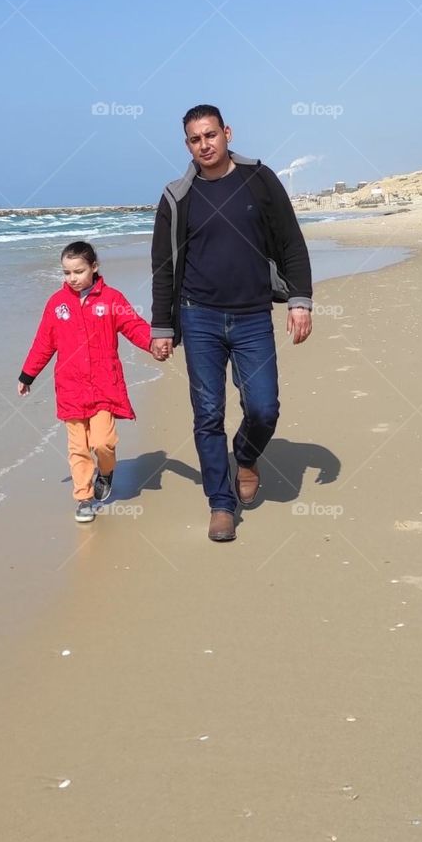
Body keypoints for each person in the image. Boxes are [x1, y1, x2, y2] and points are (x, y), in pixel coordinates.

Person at [150, 106, 313, 543]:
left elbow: (291, 240)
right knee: (207, 415)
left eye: (210, 135)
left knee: (264, 407)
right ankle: (221, 505)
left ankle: (245, 454)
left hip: (253, 315)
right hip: (198, 316)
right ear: (187, 144)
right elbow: (163, 266)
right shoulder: (176, 196)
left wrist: (300, 300)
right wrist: (162, 327)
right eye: (194, 139)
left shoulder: (259, 179)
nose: (204, 144)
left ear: (226, 133)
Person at [18, 240, 156, 523]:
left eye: (79, 271)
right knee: (78, 447)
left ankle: (105, 472)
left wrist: (153, 344)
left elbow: (133, 325)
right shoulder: (57, 305)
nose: (73, 278)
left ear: (94, 267)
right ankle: (84, 497)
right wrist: (27, 374)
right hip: (70, 388)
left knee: (103, 443)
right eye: (67, 273)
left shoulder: (112, 299)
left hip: (105, 385)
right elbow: (44, 342)